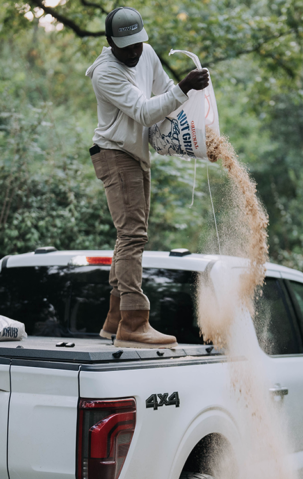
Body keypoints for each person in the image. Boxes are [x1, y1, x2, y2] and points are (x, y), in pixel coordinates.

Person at [85, 6, 210, 349]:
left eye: (139, 43)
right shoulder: (104, 74)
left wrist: (195, 126)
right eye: (127, 46)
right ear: (110, 42)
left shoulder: (147, 53)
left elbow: (166, 92)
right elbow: (143, 111)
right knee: (132, 236)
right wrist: (184, 87)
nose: (135, 51)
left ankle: (114, 321)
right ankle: (134, 322)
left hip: (136, 155)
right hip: (114, 155)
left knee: (131, 235)